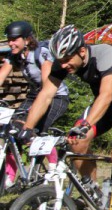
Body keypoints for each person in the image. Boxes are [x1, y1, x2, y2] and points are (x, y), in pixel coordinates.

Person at [20, 25, 112, 210]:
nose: (63, 65)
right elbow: (45, 95)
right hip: (103, 106)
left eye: (67, 59)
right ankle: (94, 192)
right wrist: (27, 128)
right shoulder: (63, 63)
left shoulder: (105, 54)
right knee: (76, 143)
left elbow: (106, 95)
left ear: (81, 51)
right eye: (60, 61)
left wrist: (85, 125)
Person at [0, 21, 69, 189]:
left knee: (35, 131)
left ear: (27, 39)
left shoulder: (41, 53)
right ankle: (9, 177)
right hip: (33, 95)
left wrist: (33, 114)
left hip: (55, 96)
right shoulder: (13, 56)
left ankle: (53, 167)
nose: (11, 43)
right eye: (9, 39)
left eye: (15, 40)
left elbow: (47, 87)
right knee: (12, 130)